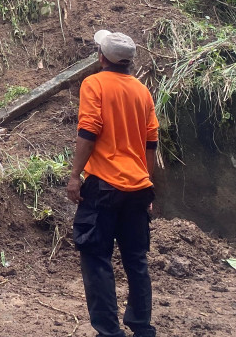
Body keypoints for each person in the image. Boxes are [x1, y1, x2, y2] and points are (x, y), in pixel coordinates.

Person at [67, 29, 159, 337]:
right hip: (137, 188)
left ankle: (109, 332)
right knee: (136, 259)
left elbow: (88, 131)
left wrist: (74, 175)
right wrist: (147, 185)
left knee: (96, 258)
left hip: (103, 187)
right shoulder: (142, 92)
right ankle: (142, 327)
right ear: (130, 62)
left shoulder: (93, 84)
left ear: (102, 57)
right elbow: (151, 143)